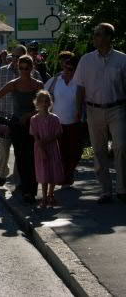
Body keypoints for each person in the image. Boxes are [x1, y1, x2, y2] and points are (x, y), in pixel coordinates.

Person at [74, 23, 126, 203]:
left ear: (108, 37)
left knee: (121, 146)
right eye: (95, 34)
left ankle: (122, 189)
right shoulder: (86, 60)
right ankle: (106, 190)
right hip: (93, 110)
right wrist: (78, 110)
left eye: (98, 34)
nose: (94, 38)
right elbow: (80, 87)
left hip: (117, 108)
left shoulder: (122, 59)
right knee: (98, 150)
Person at [0, 55, 43, 203]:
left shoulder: (38, 85)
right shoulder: (14, 84)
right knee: (20, 156)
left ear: (31, 68)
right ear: (18, 68)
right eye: (21, 68)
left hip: (33, 124)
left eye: (26, 68)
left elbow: (43, 105)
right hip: (17, 124)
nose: (24, 71)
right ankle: (25, 189)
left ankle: (31, 191)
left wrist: (29, 114)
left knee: (32, 157)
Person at [45, 53, 83, 186]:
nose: (66, 71)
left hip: (75, 123)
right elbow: (43, 95)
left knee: (74, 152)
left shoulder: (80, 82)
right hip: (57, 123)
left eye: (70, 69)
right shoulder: (56, 80)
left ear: (76, 70)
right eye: (65, 67)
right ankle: (63, 176)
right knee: (60, 151)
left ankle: (69, 173)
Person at [30, 91, 65, 207]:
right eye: (41, 101)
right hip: (40, 148)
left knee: (53, 170)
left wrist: (48, 140)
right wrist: (41, 149)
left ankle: (51, 194)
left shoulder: (54, 118)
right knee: (43, 171)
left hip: (52, 147)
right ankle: (44, 197)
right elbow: (35, 136)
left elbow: (58, 133)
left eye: (46, 101)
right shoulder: (34, 119)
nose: (44, 104)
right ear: (37, 103)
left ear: (50, 103)